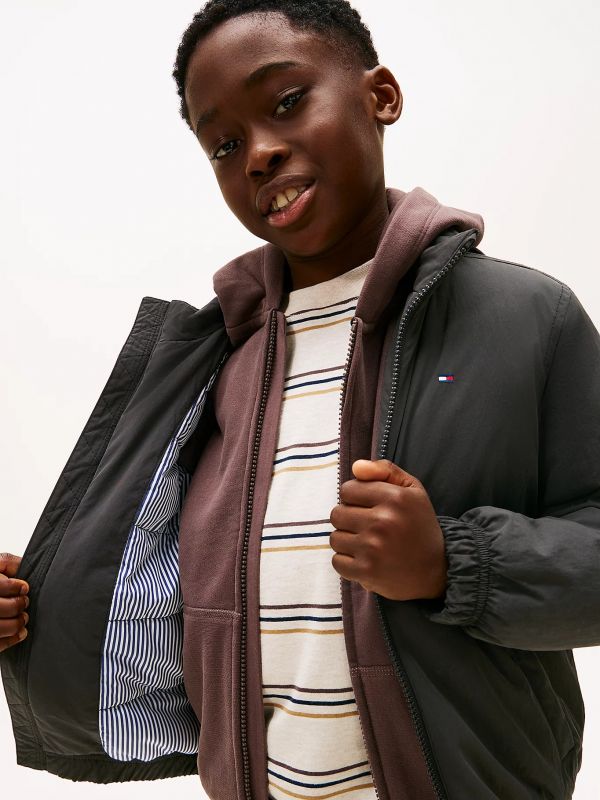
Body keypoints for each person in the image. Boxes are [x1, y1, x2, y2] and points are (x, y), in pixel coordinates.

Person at [2, 1, 599, 798]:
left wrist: (452, 563)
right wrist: (47, 611)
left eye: (286, 102)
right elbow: (187, 594)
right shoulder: (217, 361)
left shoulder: (526, 317)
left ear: (381, 96)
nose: (259, 153)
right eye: (224, 144)